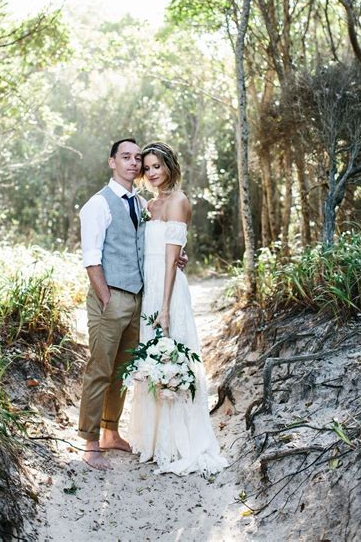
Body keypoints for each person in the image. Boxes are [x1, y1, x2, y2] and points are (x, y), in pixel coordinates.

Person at [77, 137, 186, 470]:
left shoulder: (141, 204)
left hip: (138, 300)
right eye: (125, 157)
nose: (134, 163)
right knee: (100, 369)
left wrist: (178, 256)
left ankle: (111, 432)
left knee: (122, 371)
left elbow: (155, 243)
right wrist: (106, 298)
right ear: (112, 162)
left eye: (137, 158)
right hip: (110, 298)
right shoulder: (98, 204)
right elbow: (91, 258)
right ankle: (91, 443)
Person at [128, 141, 228, 476]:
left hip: (168, 290)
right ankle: (157, 441)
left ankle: (179, 440)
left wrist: (166, 306)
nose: (153, 173)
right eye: (148, 168)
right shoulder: (149, 204)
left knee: (172, 359)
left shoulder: (179, 201)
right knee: (152, 361)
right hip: (149, 289)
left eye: (158, 166)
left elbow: (172, 260)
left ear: (170, 166)